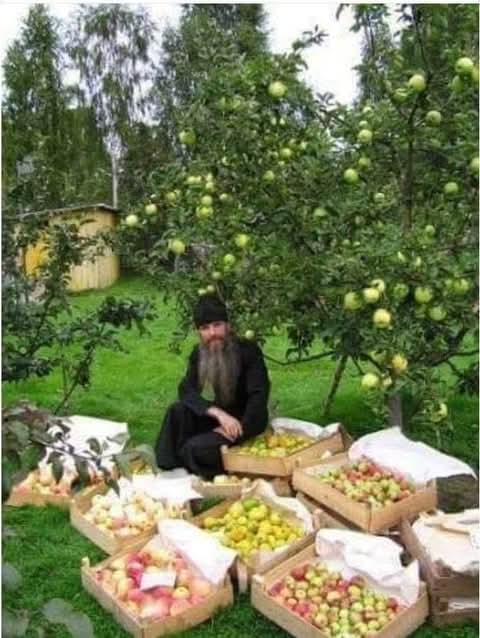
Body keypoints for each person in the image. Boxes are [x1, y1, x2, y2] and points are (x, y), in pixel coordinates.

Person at [155, 294, 271, 479]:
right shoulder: (200, 352)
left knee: (194, 449)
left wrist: (238, 429)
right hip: (222, 416)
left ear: (228, 325)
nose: (212, 333)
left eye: (217, 325)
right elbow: (186, 390)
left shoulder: (248, 351)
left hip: (246, 422)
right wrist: (218, 414)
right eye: (205, 328)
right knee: (176, 412)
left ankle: (189, 468)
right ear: (199, 332)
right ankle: (166, 473)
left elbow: (258, 396)